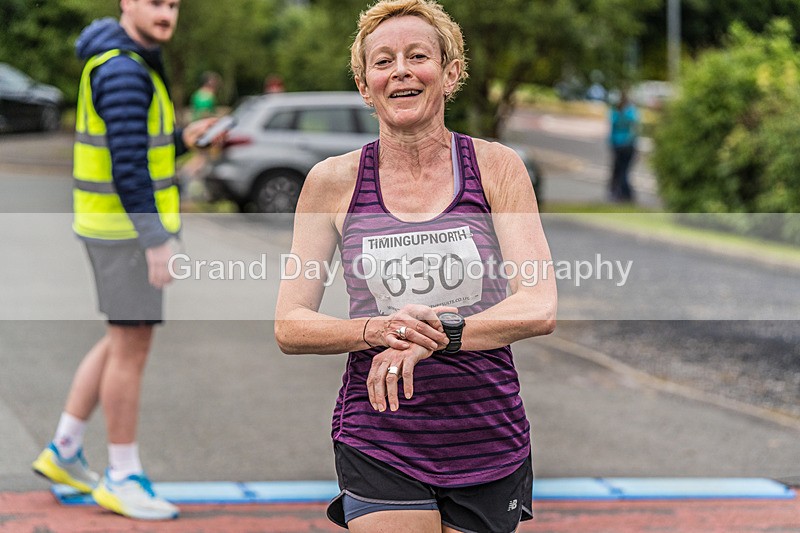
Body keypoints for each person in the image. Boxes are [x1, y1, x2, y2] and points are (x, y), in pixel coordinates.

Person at [275, 1, 557, 532]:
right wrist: (379, 329)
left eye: (417, 56)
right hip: (379, 432)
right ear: (365, 85)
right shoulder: (332, 181)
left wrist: (436, 333)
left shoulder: (497, 167)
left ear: (450, 73)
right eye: (382, 62)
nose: (400, 70)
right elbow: (290, 323)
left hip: (486, 432)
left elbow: (539, 305)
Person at [31, 0, 217, 521]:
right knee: (131, 348)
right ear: (127, 4)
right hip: (125, 235)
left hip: (110, 229)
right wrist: (155, 239)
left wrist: (183, 139)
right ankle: (121, 475)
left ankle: (64, 448)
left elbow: (140, 147)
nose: (167, 12)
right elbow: (129, 167)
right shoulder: (124, 69)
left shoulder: (123, 61)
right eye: (155, 2)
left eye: (174, 4)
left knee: (121, 339)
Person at [608, 89, 639, 202]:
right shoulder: (631, 112)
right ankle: (626, 194)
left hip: (617, 144)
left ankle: (622, 193)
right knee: (624, 170)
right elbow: (635, 129)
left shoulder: (615, 113)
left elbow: (612, 129)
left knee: (620, 170)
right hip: (628, 145)